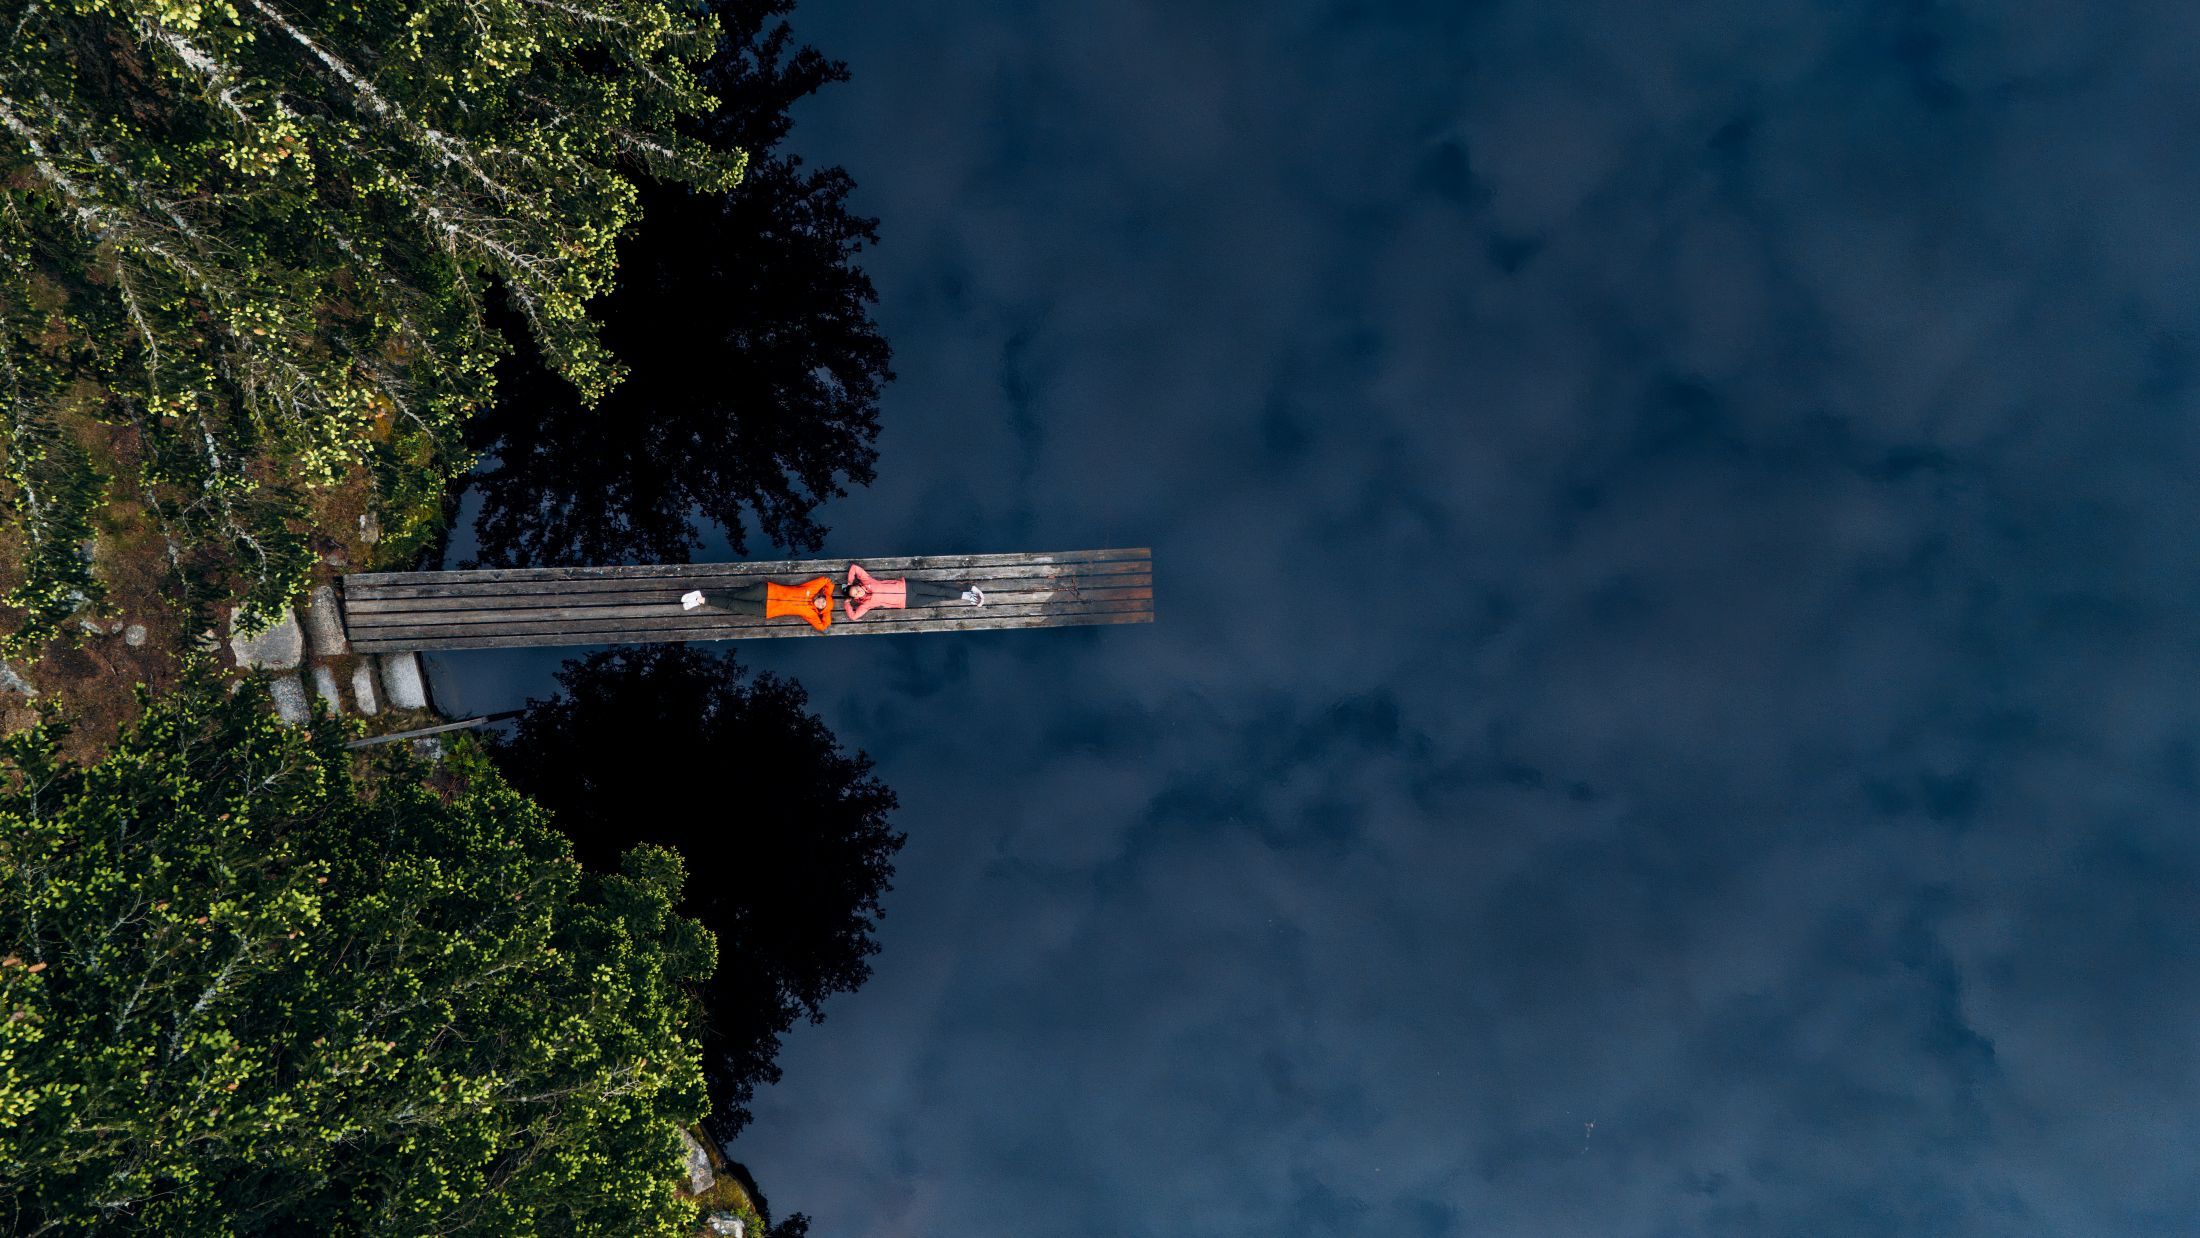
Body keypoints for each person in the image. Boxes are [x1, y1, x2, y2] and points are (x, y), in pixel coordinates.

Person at [681, 576, 834, 632]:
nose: (821, 603)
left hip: (765, 610)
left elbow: (823, 626)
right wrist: (830, 590)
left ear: (820, 610)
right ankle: (699, 595)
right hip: (766, 591)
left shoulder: (811, 614)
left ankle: (701, 600)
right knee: (734, 595)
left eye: (822, 606)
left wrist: (826, 612)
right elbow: (828, 580)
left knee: (733, 605)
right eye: (823, 600)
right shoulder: (812, 589)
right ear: (822, 596)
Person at [844, 563, 986, 621]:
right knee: (937, 599)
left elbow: (854, 568)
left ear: (857, 586)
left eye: (855, 590)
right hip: (908, 602)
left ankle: (969, 590)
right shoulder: (865, 605)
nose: (857, 593)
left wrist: (849, 583)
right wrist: (847, 603)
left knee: (938, 590)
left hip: (908, 587)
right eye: (854, 595)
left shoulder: (867, 580)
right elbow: (853, 616)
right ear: (855, 598)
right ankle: (967, 596)